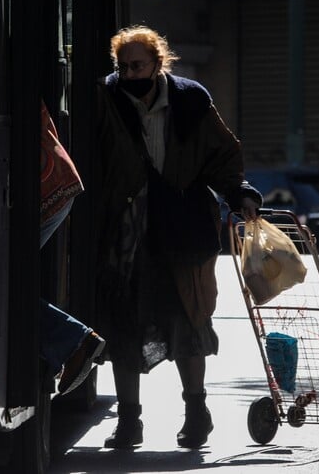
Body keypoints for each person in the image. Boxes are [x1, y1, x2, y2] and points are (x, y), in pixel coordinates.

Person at [92, 25, 262, 450]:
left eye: (138, 65)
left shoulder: (190, 99)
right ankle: (129, 421)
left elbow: (221, 155)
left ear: (158, 62)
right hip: (129, 234)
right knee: (125, 324)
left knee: (190, 321)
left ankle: (196, 412)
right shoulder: (105, 98)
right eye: (123, 66)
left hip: (185, 229)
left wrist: (239, 192)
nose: (130, 74)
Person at [39, 100, 105, 396]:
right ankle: (70, 340)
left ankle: (73, 339)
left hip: (46, 188)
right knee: (1, 286)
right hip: (53, 184)